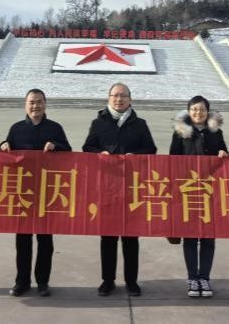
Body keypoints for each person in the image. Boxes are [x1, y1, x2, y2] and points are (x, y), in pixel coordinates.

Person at [83, 82, 157, 297]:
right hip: (107, 188)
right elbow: (87, 148)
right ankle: (107, 281)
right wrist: (100, 154)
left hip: (132, 188)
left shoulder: (140, 124)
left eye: (123, 96)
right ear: (109, 98)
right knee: (108, 237)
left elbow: (151, 149)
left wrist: (136, 156)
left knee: (130, 238)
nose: (119, 99)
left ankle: (131, 281)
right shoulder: (98, 123)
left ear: (130, 99)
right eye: (115, 95)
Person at [0, 88, 71, 297]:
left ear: (45, 104)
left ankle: (42, 282)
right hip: (22, 193)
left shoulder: (55, 128)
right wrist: (3, 145)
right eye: (31, 102)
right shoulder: (16, 128)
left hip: (47, 194)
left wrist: (56, 146)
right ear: (25, 105)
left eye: (39, 102)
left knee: (45, 241)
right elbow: (6, 152)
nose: (35, 106)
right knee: (22, 241)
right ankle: (21, 282)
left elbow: (69, 153)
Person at [170, 95, 228, 298]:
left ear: (207, 111)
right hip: (189, 191)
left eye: (202, 109)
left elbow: (225, 156)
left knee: (208, 238)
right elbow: (172, 161)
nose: (198, 113)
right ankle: (192, 278)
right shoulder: (180, 132)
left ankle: (204, 277)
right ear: (189, 111)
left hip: (211, 191)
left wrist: (223, 154)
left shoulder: (215, 132)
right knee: (191, 237)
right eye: (194, 109)